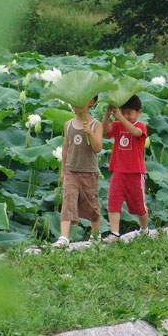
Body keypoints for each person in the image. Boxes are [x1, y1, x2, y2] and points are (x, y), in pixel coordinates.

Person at [53, 96, 103, 247]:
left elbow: (98, 148)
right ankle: (63, 237)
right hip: (71, 171)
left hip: (89, 171)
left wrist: (90, 133)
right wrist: (63, 170)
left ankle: (95, 235)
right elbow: (66, 148)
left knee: (92, 204)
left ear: (91, 102)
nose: (75, 104)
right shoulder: (68, 125)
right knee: (68, 200)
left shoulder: (96, 125)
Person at [102, 95, 149, 242]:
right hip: (118, 170)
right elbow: (106, 130)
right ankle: (115, 233)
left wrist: (120, 118)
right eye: (124, 112)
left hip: (135, 172)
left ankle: (144, 230)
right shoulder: (117, 124)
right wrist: (108, 114)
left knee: (139, 206)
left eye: (130, 113)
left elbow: (136, 133)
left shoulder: (141, 125)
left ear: (139, 112)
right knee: (113, 201)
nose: (126, 116)